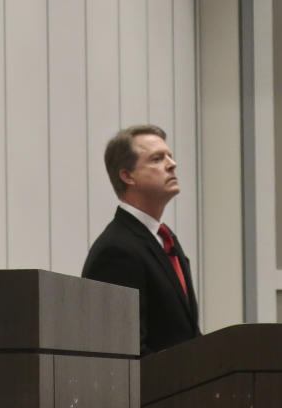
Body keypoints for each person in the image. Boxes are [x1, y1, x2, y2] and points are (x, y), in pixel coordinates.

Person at [82, 125, 200, 355]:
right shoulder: (117, 251)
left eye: (170, 157)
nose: (171, 164)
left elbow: (184, 335)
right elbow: (125, 351)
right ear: (127, 176)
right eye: (157, 159)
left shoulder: (164, 240)